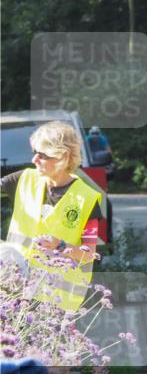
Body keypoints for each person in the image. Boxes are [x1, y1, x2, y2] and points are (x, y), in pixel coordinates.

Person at [0, 121, 102, 311]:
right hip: (14, 290)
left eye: (43, 155)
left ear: (63, 157)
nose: (34, 160)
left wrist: (60, 246)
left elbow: (89, 254)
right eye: (35, 152)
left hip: (55, 303)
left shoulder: (86, 199)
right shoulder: (23, 179)